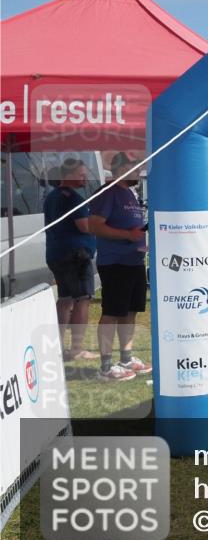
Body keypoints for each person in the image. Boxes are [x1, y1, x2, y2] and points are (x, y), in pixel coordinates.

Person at [89, 153, 153, 382]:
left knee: (130, 312)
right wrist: (128, 235)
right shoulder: (109, 192)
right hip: (115, 262)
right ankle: (105, 366)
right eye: (134, 167)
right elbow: (94, 225)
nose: (138, 171)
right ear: (120, 168)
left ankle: (126, 358)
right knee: (112, 313)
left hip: (133, 261)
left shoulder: (131, 193)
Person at [43, 158, 99, 361]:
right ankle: (76, 348)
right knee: (82, 299)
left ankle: (57, 344)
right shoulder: (73, 198)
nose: (85, 178)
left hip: (56, 253)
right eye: (81, 174)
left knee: (65, 299)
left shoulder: (51, 197)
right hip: (76, 256)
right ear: (68, 175)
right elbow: (84, 226)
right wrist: (103, 225)